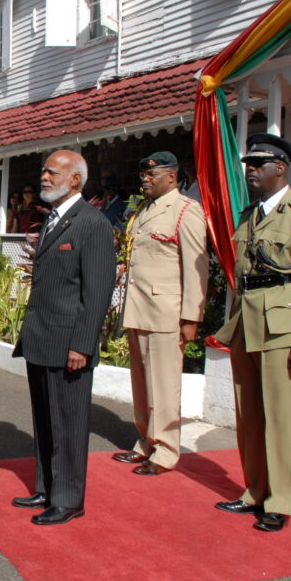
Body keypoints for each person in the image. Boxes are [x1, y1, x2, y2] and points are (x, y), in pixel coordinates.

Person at [212, 133, 291, 533]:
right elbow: (243, 278)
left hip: (283, 332)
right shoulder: (249, 216)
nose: (249, 171)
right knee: (250, 417)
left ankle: (280, 501)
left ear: (279, 168)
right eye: (248, 165)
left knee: (280, 420)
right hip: (248, 327)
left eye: (257, 165)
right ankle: (255, 491)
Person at [11, 150, 115, 525]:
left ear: (75, 179)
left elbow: (98, 290)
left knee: (68, 424)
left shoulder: (92, 224)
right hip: (41, 338)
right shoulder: (54, 220)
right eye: (43, 171)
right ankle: (47, 487)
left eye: (52, 172)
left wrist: (82, 345)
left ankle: (68, 499)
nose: (43, 177)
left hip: (69, 344)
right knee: (44, 419)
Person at [113, 151, 208, 475]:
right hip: (139, 309)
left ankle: (166, 450)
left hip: (166, 312)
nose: (145, 179)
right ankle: (146, 440)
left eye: (152, 175)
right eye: (143, 175)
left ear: (172, 176)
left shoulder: (185, 211)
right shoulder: (142, 211)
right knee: (141, 383)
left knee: (165, 385)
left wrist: (191, 317)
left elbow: (197, 268)